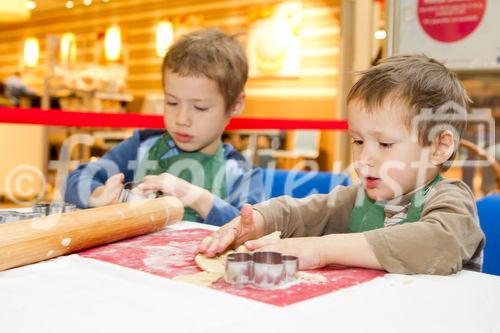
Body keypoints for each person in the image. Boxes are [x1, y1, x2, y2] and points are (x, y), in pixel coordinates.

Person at [199, 54, 485, 275]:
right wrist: (258, 221)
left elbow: (438, 243)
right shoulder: (359, 198)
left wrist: (324, 249)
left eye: (385, 144)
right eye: (358, 141)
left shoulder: (450, 199)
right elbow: (301, 212)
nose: (364, 159)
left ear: (439, 146)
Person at [64, 28, 263, 226]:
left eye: (200, 107)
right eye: (172, 102)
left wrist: (197, 198)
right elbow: (75, 180)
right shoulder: (141, 147)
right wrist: (100, 196)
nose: (182, 119)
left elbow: (251, 227)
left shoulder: (240, 173)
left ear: (235, 104)